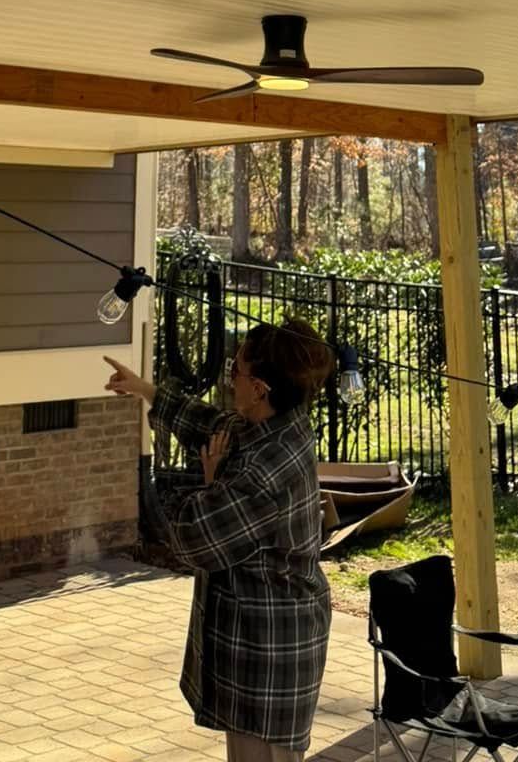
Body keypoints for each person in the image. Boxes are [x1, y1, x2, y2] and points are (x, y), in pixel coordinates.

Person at [105, 318, 334, 762]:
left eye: (236, 371)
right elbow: (214, 425)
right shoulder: (276, 424)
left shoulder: (265, 469)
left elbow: (195, 541)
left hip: (271, 648)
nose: (230, 379)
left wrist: (211, 483)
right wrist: (146, 391)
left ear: (260, 388)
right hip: (260, 638)